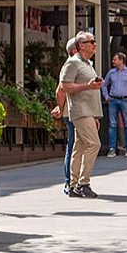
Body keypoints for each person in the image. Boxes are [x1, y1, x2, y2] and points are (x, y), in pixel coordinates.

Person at [60, 32, 103, 198]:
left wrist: (95, 116)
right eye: (91, 41)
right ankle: (83, 183)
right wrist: (88, 86)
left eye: (95, 41)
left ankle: (73, 184)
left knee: (80, 146)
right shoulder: (73, 63)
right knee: (94, 144)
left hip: (88, 112)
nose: (94, 44)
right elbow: (64, 86)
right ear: (81, 45)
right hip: (80, 110)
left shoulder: (87, 64)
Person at [51, 36, 81, 196]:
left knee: (77, 146)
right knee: (73, 146)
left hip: (78, 112)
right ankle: (70, 182)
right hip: (73, 113)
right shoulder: (71, 65)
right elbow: (60, 91)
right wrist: (61, 108)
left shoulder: (77, 65)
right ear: (75, 50)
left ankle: (76, 181)